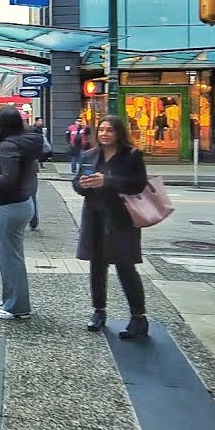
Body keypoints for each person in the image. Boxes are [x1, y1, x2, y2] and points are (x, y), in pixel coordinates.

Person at [74, 116, 151, 340]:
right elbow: (77, 182)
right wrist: (83, 185)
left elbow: (138, 184)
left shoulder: (132, 156)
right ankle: (99, 311)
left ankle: (138, 317)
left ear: (119, 133)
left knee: (125, 266)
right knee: (97, 266)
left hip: (122, 218)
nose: (105, 134)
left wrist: (107, 181)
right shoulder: (90, 155)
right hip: (95, 216)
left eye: (110, 130)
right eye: (102, 130)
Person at [0, 107, 46, 320]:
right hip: (22, 202)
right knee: (10, 256)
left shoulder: (8, 146)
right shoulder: (26, 141)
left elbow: (8, 179)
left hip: (11, 205)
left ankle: (17, 307)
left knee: (10, 258)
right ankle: (9, 299)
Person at [29, 117, 53, 231]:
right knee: (31, 196)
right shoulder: (35, 137)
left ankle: (31, 220)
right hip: (31, 170)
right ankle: (33, 220)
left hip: (28, 170)